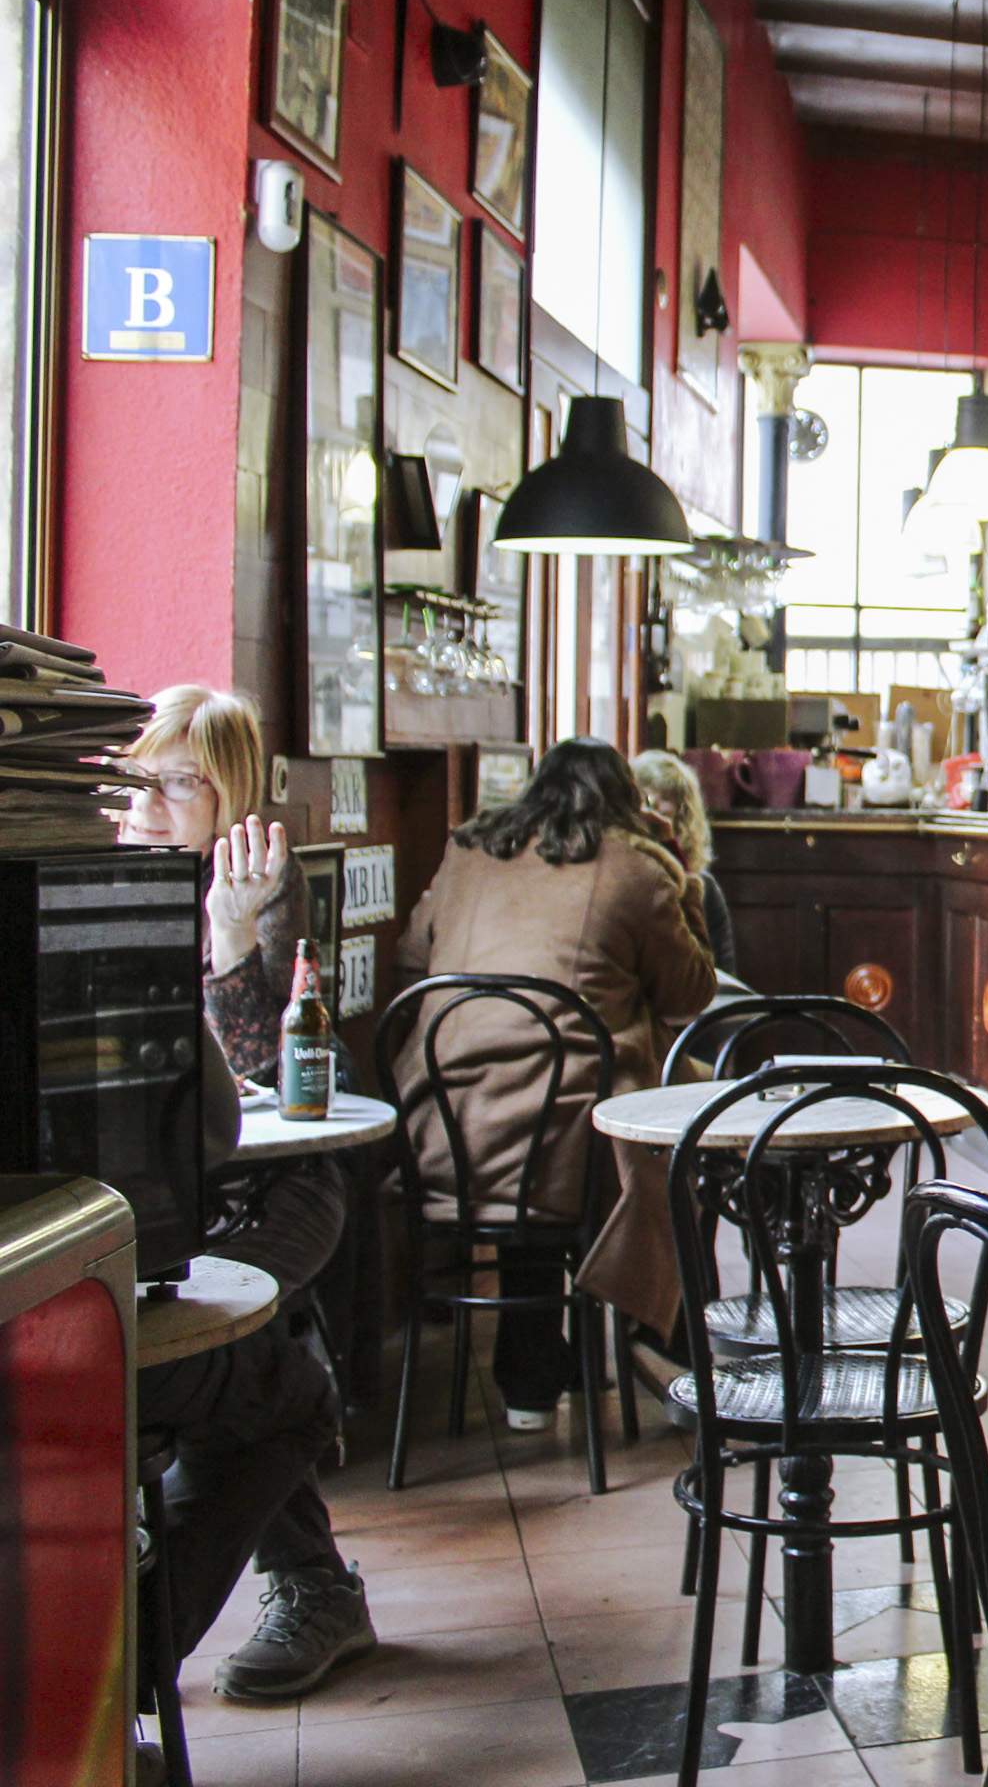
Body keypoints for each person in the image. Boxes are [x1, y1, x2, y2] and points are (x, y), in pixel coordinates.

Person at [115, 687, 377, 1707]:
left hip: (277, 1187)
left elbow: (278, 1078)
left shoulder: (266, 889)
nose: (155, 800)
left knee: (227, 1333)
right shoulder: (92, 884)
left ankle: (272, 1596)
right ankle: (312, 1584)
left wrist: (229, 940)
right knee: (259, 1368)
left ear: (230, 795)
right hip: (171, 1188)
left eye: (185, 780)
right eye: (143, 775)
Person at [395, 737, 718, 1427]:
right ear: (627, 803)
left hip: (442, 1131)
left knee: (539, 1132)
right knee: (659, 1126)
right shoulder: (637, 866)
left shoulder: (466, 851)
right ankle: (671, 1342)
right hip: (571, 1146)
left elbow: (411, 954)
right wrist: (681, 873)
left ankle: (531, 1377)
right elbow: (689, 993)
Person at [630, 747, 740, 975]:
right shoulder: (617, 881)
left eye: (664, 800)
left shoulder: (704, 888)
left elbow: (721, 974)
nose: (654, 810)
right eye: (646, 799)